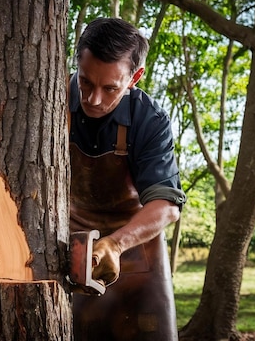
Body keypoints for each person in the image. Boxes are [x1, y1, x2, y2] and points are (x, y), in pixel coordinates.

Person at [68, 18, 187, 340]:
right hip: (74, 249)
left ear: (135, 77)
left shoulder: (150, 119)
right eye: (85, 83)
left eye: (110, 88)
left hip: (136, 249)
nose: (93, 99)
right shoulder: (50, 103)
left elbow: (166, 204)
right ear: (77, 64)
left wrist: (116, 243)